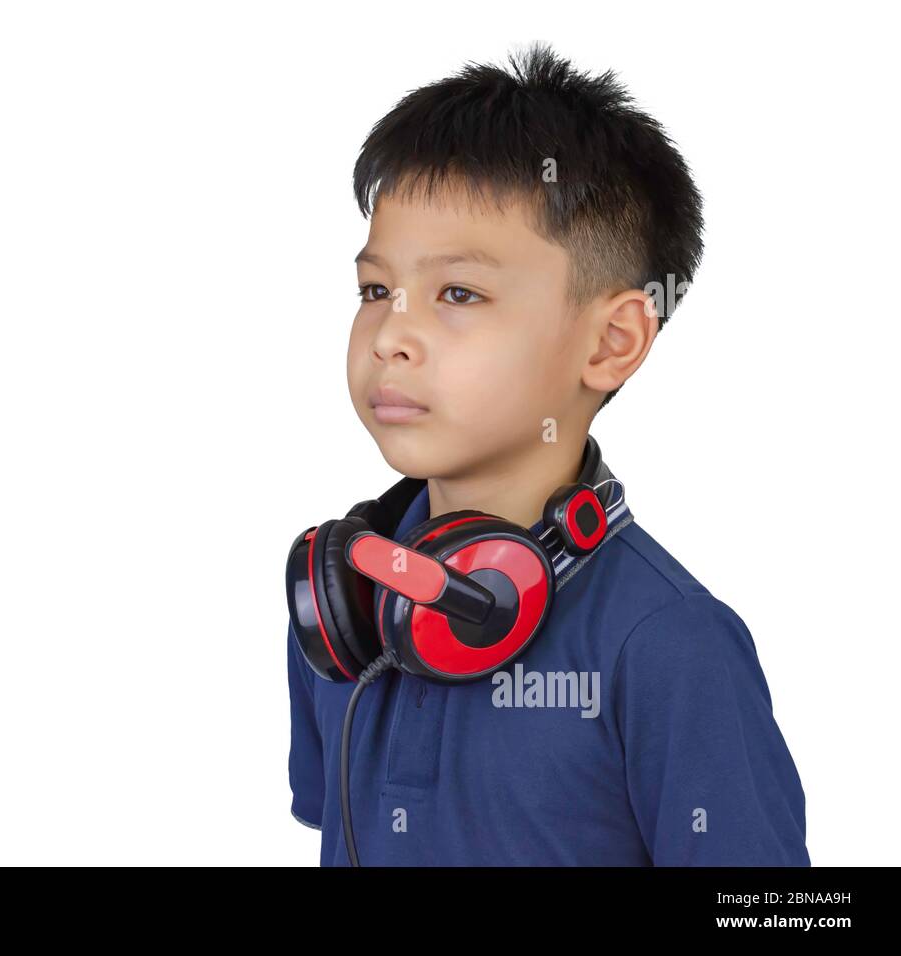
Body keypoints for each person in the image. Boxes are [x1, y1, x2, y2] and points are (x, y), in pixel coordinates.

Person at [286, 42, 810, 866]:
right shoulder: (344, 599)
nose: (391, 335)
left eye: (459, 293)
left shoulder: (670, 646)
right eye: (375, 290)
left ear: (612, 341)